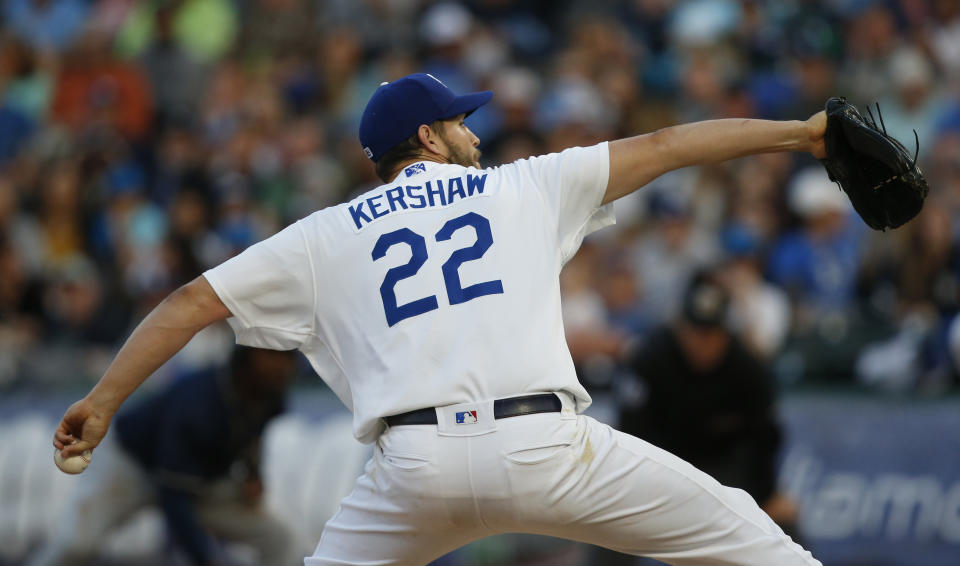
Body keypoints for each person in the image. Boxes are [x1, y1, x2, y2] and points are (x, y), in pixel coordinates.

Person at [52, 72, 827, 565]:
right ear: (428, 137)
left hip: (413, 471)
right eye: (461, 122)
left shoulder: (323, 235)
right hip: (545, 448)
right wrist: (801, 134)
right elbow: (665, 145)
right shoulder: (523, 186)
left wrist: (102, 403)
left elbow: (190, 302)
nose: (476, 134)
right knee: (755, 545)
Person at [33, 345, 298, 566]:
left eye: (287, 356)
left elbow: (253, 437)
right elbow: (173, 495)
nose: (282, 366)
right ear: (245, 357)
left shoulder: (270, 392)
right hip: (130, 465)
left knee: (278, 538)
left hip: (195, 481)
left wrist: (253, 473)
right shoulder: (200, 401)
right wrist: (204, 557)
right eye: (272, 355)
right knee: (77, 545)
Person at [618, 271, 800, 535]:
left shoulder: (747, 368)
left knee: (784, 521)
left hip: (723, 470)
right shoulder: (651, 358)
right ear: (680, 328)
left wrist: (766, 493)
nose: (702, 343)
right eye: (695, 332)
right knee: (609, 521)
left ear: (726, 332)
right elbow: (630, 429)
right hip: (659, 466)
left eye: (711, 333)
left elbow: (765, 437)